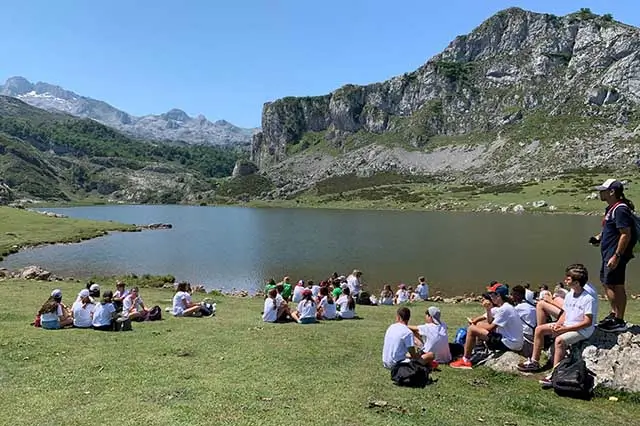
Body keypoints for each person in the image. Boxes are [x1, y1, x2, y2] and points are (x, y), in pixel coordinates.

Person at [517, 264, 598, 386]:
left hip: (582, 330)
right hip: (567, 324)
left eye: (568, 279)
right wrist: (558, 324)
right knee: (539, 329)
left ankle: (556, 373)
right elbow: (566, 312)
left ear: (576, 283)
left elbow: (588, 322)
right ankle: (534, 362)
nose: (565, 280)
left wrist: (565, 329)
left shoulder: (588, 299)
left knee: (560, 341)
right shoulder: (570, 294)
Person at [590, 179, 637, 332]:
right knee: (607, 282)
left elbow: (626, 234)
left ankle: (619, 320)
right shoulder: (611, 209)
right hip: (608, 252)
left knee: (615, 284)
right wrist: (598, 238)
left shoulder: (620, 209)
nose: (600, 192)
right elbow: (609, 230)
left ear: (612, 192)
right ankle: (614, 313)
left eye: (603, 190)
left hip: (615, 254)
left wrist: (616, 256)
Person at [450, 285, 523, 369]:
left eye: (492, 295)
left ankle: (465, 360)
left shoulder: (505, 309)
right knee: (477, 326)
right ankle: (477, 350)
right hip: (513, 342)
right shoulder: (504, 307)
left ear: (499, 296)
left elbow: (491, 328)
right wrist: (488, 310)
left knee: (472, 329)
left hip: (510, 343)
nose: (491, 298)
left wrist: (475, 326)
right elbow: (489, 320)